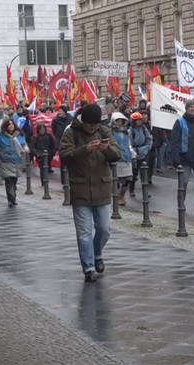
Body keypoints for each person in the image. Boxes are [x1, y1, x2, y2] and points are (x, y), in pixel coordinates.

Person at [59, 103, 121, 282]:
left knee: (104, 229)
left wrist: (106, 150)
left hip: (101, 187)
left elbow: (117, 154)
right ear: (83, 121)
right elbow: (65, 156)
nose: (93, 128)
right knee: (84, 232)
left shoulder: (104, 131)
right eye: (89, 125)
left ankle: (97, 253)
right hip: (80, 189)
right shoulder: (72, 132)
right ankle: (89, 268)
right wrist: (85, 150)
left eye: (95, 125)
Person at [168, 100, 194, 213]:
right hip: (185, 158)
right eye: (190, 107)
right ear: (186, 108)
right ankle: (181, 204)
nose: (192, 108)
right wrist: (175, 157)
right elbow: (175, 141)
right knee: (184, 182)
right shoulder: (180, 122)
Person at [0, 119, 28, 207]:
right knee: (9, 179)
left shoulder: (19, 135)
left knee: (14, 180)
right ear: (5, 127)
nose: (11, 126)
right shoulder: (0, 136)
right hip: (5, 160)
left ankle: (13, 196)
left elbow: (24, 144)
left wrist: (25, 149)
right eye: (9, 125)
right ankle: (11, 199)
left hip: (17, 160)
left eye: (12, 124)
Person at [110, 113, 134, 206]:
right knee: (116, 179)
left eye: (121, 121)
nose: (120, 123)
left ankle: (122, 194)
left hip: (126, 158)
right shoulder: (111, 132)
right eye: (118, 121)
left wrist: (133, 155)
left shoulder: (126, 132)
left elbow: (129, 144)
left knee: (128, 178)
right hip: (116, 158)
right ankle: (116, 196)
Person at [126, 111, 152, 197]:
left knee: (144, 173)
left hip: (144, 152)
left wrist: (147, 148)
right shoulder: (130, 131)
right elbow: (129, 144)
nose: (139, 122)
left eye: (140, 120)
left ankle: (145, 191)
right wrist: (133, 153)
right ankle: (131, 189)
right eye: (137, 120)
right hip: (135, 154)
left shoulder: (144, 129)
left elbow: (149, 139)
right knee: (134, 173)